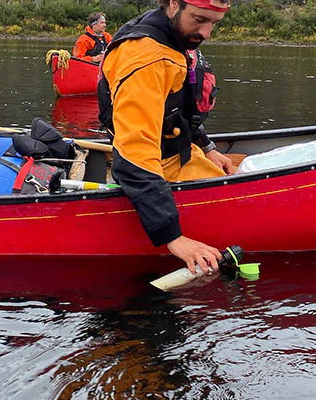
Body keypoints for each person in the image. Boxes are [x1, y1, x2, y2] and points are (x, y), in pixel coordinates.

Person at [99, 0, 233, 275]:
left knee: (238, 164)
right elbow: (134, 155)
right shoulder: (148, 58)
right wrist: (174, 237)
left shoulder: (171, 34)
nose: (206, 33)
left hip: (179, 151)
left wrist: (207, 147)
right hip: (159, 168)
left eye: (213, 23)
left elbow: (175, 109)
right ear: (174, 4)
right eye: (199, 19)